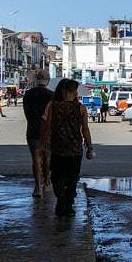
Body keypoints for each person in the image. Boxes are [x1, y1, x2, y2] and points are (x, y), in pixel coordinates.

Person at [41, 79, 95, 216]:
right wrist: (90, 146)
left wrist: (41, 145)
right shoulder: (81, 108)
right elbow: (85, 129)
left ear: (63, 91)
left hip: (58, 148)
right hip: (75, 149)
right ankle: (68, 205)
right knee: (72, 178)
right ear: (75, 92)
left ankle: (61, 198)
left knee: (57, 177)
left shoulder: (53, 106)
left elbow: (47, 127)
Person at [22, 70, 55, 197]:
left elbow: (26, 113)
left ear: (36, 79)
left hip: (33, 130)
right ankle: (47, 183)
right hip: (47, 131)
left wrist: (32, 122)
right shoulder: (52, 95)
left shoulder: (28, 94)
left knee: (35, 158)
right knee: (47, 157)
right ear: (48, 80)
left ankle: (37, 187)